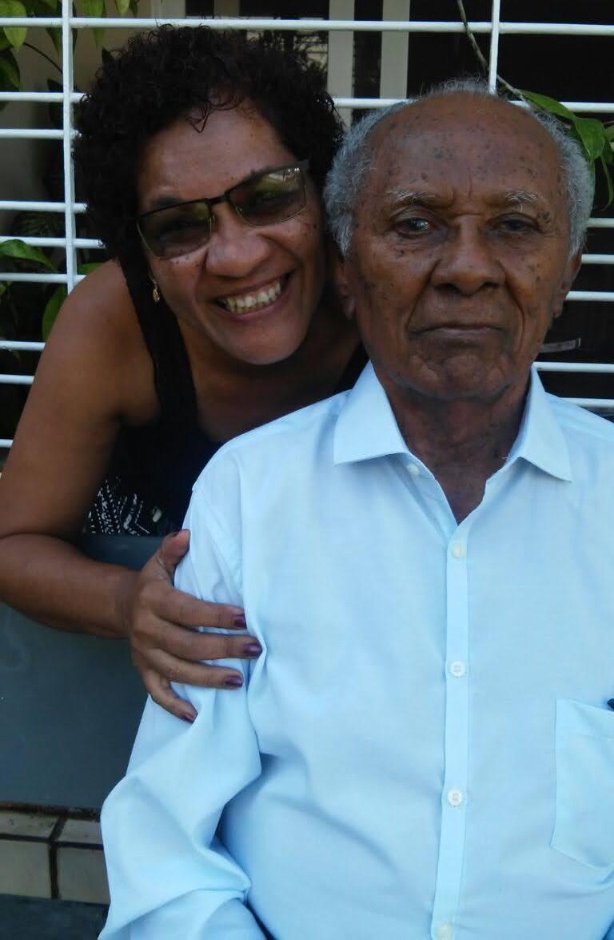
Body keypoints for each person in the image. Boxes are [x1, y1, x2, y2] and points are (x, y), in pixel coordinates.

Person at [99, 81, 614, 940]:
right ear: (344, 267)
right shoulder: (250, 494)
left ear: (566, 273)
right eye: (416, 224)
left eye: (515, 227)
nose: (467, 268)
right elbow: (168, 848)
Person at [0, 25, 362, 721]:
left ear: (320, 192)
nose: (236, 256)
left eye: (269, 195)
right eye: (178, 225)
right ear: (142, 257)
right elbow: (14, 544)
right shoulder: (113, 324)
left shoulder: (380, 299)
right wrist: (126, 601)